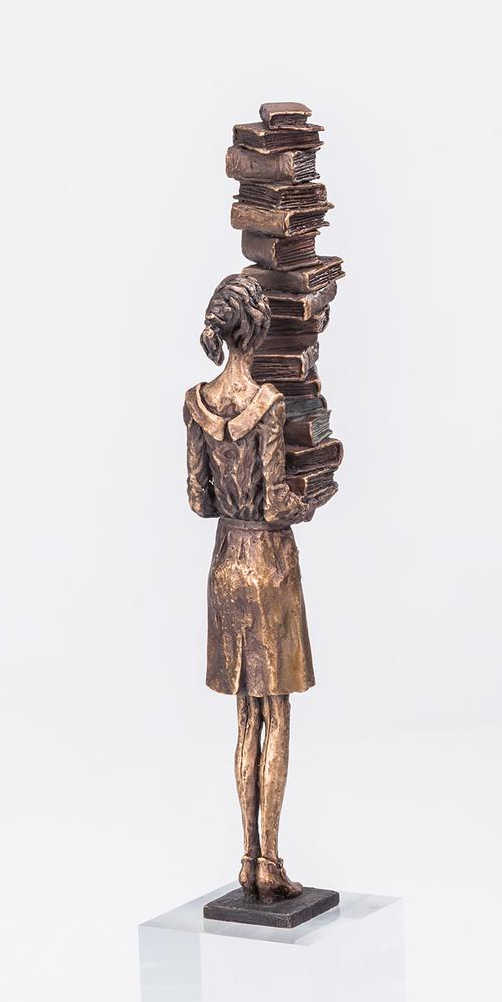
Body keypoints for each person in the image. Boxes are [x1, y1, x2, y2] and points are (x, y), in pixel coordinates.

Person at [184, 274, 334, 903]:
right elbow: (276, 502)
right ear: (258, 329)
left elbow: (199, 501)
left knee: (246, 715)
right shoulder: (268, 404)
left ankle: (249, 856)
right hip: (269, 565)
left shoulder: (196, 401)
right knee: (277, 712)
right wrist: (315, 496)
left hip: (225, 563)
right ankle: (269, 859)